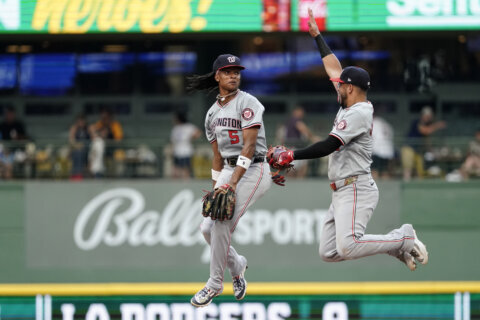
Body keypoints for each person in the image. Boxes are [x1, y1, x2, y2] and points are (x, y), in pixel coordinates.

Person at [269, 8, 429, 272]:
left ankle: (403, 237)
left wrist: (292, 154)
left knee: (349, 246)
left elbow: (329, 144)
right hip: (341, 189)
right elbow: (334, 67)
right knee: (329, 252)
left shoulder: (360, 112)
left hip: (356, 186)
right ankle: (396, 245)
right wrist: (317, 36)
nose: (337, 86)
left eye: (341, 85)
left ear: (351, 88)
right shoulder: (350, 101)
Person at [186, 54, 273, 307]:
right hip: (228, 168)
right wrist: (216, 189)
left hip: (254, 169)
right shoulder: (212, 114)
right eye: (227, 71)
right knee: (206, 227)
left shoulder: (248, 103)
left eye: (236, 71)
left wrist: (232, 184)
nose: (234, 75)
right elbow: (216, 156)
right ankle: (237, 265)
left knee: (222, 222)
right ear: (217, 76)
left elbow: (248, 148)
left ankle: (214, 284)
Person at [401, 106, 446, 181]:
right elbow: (425, 131)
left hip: (418, 150)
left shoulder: (428, 124)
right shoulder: (417, 122)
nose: (429, 118)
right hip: (408, 148)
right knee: (408, 170)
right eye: (428, 116)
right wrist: (437, 125)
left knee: (420, 172)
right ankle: (406, 185)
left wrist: (432, 151)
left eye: (430, 116)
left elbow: (427, 140)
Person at [283, 106, 321, 178]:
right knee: (292, 170)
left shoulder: (291, 120)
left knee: (302, 167)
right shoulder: (294, 119)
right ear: (295, 112)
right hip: (293, 147)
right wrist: (313, 138)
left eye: (302, 112)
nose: (301, 114)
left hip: (296, 147)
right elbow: (303, 128)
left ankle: (298, 185)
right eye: (300, 112)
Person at [170, 112, 201, 179]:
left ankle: (185, 181)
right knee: (176, 169)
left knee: (185, 168)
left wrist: (191, 137)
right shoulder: (176, 128)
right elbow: (173, 140)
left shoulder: (189, 126)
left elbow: (198, 133)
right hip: (177, 150)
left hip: (186, 150)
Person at [371, 114, 395, 179]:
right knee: (385, 171)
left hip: (377, 151)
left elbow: (370, 137)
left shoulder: (374, 123)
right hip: (388, 151)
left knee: (374, 172)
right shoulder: (384, 122)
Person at [69, 114, 90, 179]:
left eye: (82, 121)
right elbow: (71, 141)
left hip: (87, 149)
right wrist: (78, 145)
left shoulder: (88, 128)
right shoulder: (74, 128)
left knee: (81, 153)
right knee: (78, 153)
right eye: (79, 121)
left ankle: (81, 173)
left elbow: (94, 138)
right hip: (77, 149)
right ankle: (76, 173)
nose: (81, 123)